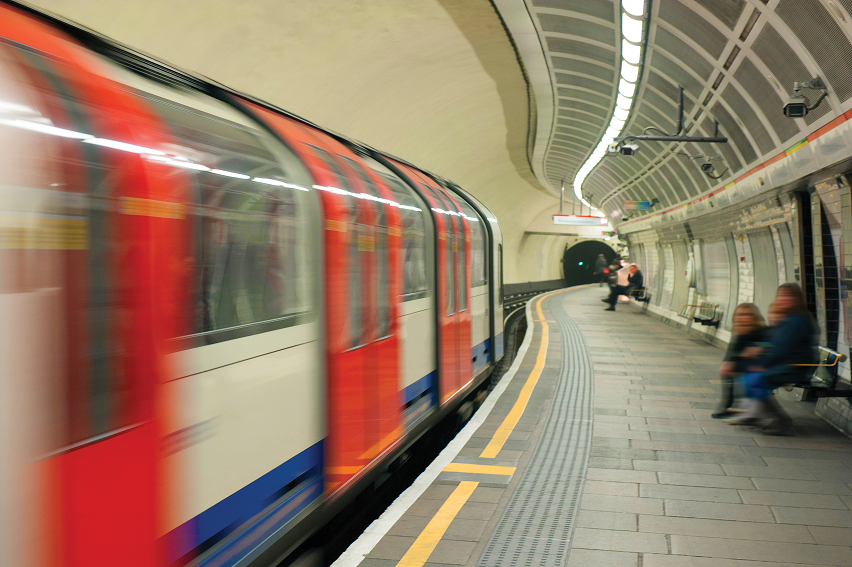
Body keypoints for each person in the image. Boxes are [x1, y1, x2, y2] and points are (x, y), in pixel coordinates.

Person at [727, 284, 817, 435]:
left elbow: (782, 348)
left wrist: (763, 364)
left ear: (797, 299)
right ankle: (753, 412)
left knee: (754, 380)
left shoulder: (796, 321)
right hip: (787, 363)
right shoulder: (790, 318)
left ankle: (781, 420)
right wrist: (759, 348)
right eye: (781, 296)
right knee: (747, 374)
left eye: (788, 296)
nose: (784, 299)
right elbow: (774, 342)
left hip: (794, 366)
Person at [712, 303, 766, 419]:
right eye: (740, 315)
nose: (742, 318)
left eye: (746, 315)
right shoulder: (739, 331)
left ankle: (735, 406)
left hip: (760, 364)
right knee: (728, 372)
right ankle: (729, 405)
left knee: (739, 372)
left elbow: (767, 348)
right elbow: (732, 351)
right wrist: (726, 363)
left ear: (754, 317)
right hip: (747, 363)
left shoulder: (760, 331)